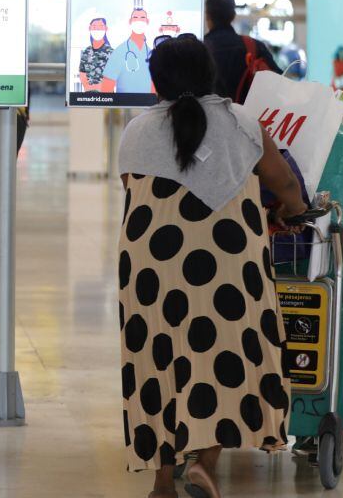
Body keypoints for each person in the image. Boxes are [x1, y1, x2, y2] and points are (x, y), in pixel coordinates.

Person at [116, 35, 305, 498]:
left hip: (150, 268)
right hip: (228, 263)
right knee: (226, 353)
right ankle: (206, 462)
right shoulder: (242, 122)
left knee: (159, 356)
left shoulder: (136, 130)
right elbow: (283, 183)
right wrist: (293, 209)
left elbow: (133, 188)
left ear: (156, 81)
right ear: (209, 75)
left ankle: (163, 478)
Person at [202, 0, 280, 101]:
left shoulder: (199, 49)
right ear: (233, 16)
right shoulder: (254, 47)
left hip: (209, 116)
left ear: (207, 16)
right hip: (248, 116)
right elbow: (279, 82)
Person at [101, 3, 156, 95]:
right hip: (124, 106)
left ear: (147, 21)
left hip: (148, 105)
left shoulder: (151, 53)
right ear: (130, 21)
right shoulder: (119, 51)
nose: (139, 21)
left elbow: (154, 84)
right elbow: (107, 86)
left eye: (142, 18)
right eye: (135, 18)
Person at [78, 17, 113, 92]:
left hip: (107, 98)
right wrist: (88, 87)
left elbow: (114, 78)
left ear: (106, 28)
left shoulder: (111, 52)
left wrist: (97, 87)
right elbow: (82, 72)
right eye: (94, 27)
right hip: (89, 98)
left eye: (100, 26)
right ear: (89, 28)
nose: (97, 29)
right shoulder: (86, 51)